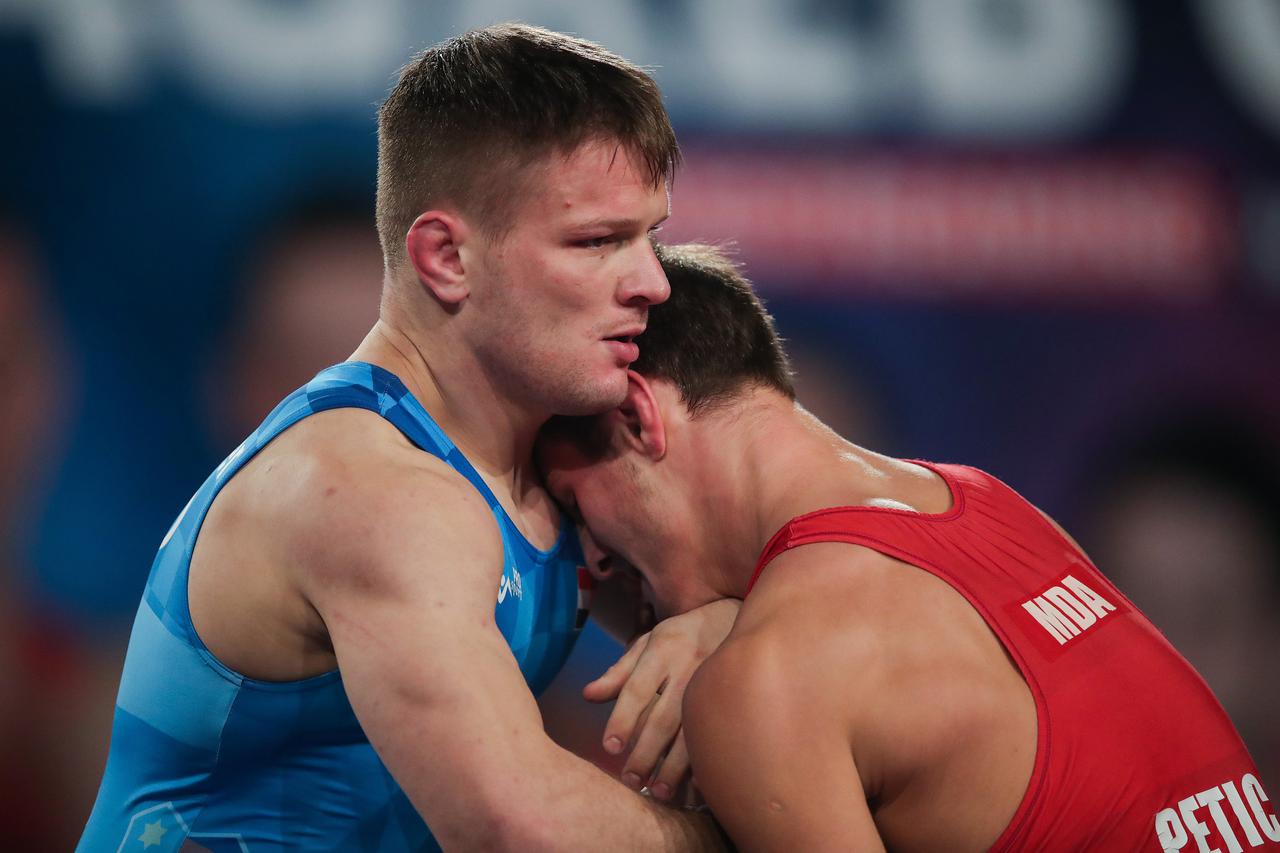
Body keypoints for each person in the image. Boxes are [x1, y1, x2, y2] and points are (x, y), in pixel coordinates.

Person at [79, 26, 731, 851]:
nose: (652, 283)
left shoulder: (561, 458)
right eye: (597, 242)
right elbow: (514, 823)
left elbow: (808, 635)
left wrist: (723, 626)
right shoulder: (370, 490)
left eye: (649, 237)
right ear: (445, 257)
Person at [537, 242, 1280, 852]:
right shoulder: (989, 501)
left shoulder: (769, 679)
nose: (593, 560)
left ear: (639, 418)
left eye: (574, 505)